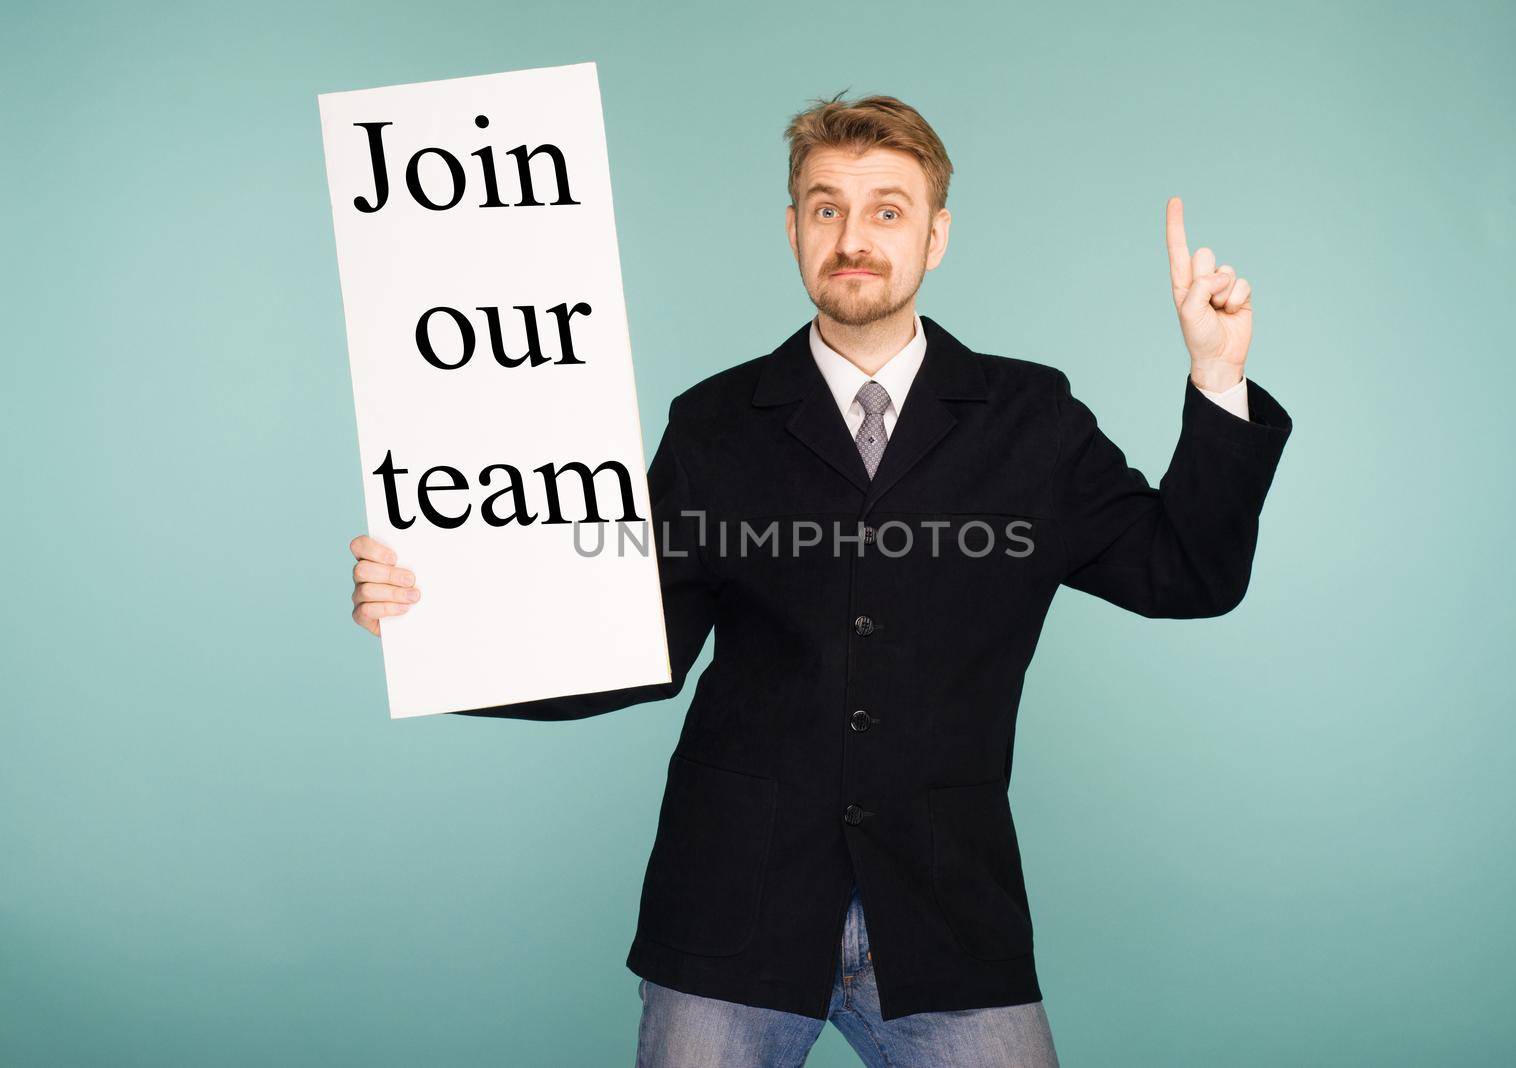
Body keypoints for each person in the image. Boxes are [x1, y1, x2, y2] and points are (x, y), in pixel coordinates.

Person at [347, 93, 1291, 1066]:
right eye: (826, 206)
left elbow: (1186, 573)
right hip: (730, 914)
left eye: (888, 208)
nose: (854, 235)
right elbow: (636, 649)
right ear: (793, 228)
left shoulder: (1031, 420)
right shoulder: (714, 423)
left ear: (936, 236)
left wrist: (1217, 379)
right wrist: (440, 630)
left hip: (946, 916)